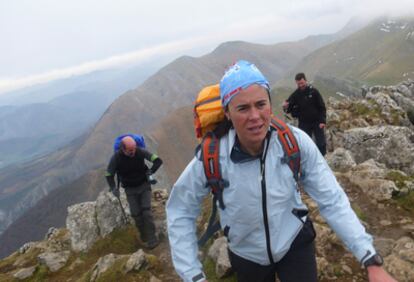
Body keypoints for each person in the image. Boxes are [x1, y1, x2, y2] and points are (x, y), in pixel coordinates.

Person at [166, 60, 396, 282]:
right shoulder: (211, 157)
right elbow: (180, 210)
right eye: (243, 108)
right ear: (227, 113)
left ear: (270, 103)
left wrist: (369, 258)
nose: (255, 116)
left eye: (261, 104)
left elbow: (331, 199)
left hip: (295, 242)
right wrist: (193, 275)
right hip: (247, 255)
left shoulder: (294, 142)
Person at [106, 135, 163, 249]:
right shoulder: (116, 158)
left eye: (134, 149)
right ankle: (144, 236)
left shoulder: (140, 152)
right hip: (130, 189)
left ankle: (152, 239)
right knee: (136, 214)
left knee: (146, 211)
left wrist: (150, 172)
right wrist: (113, 188)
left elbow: (158, 160)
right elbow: (109, 174)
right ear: (123, 149)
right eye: (130, 151)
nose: (133, 152)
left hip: (144, 185)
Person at [283, 73, 327, 156]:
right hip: (304, 123)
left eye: (302, 83)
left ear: (306, 81)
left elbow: (322, 106)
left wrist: (322, 121)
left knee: (321, 143)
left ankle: (323, 159)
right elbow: (288, 108)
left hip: (317, 121)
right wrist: (285, 106)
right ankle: (308, 161)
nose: (301, 85)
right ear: (296, 83)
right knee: (304, 144)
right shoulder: (295, 94)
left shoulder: (314, 91)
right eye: (298, 84)